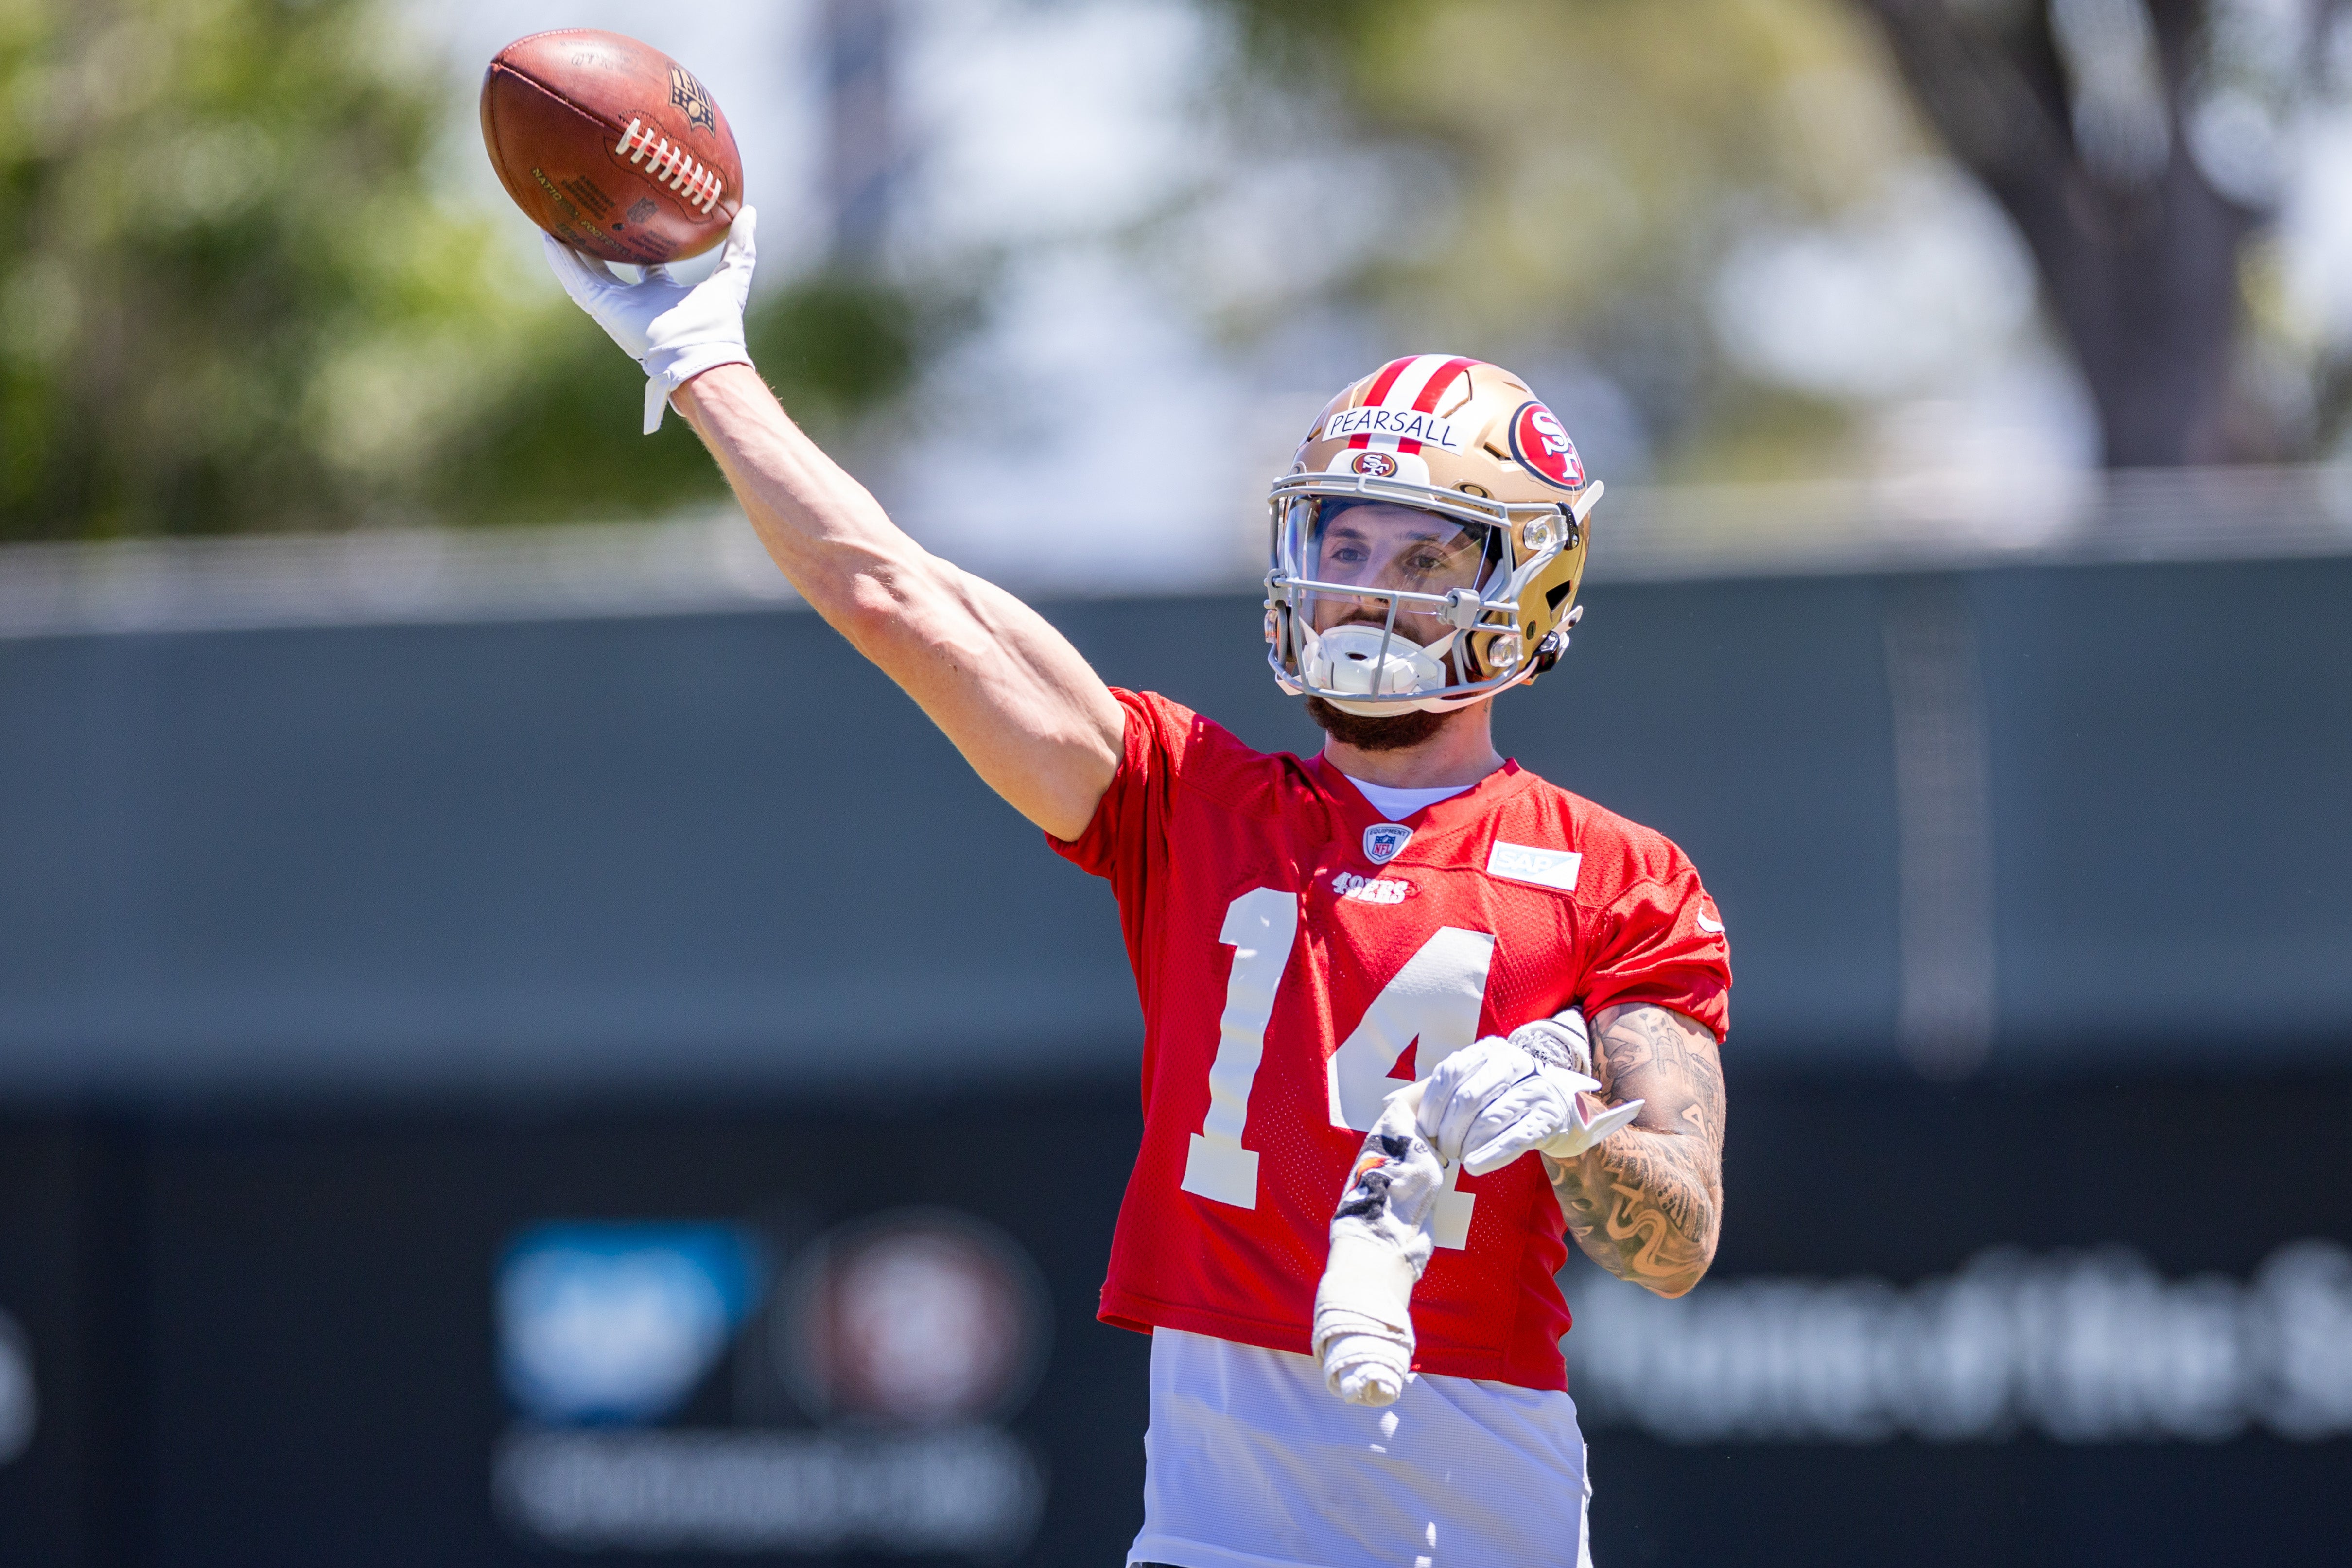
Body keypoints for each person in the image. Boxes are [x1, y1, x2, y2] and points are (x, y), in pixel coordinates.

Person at [545, 210, 1731, 1568]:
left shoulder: (1619, 875)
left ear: (1530, 587)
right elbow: (895, 597)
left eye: (1427, 558)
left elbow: (1675, 1238)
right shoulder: (1189, 797)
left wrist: (1576, 1126)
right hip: (1214, 1539)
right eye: (1344, 547)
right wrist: (705, 362)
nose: (1364, 593)